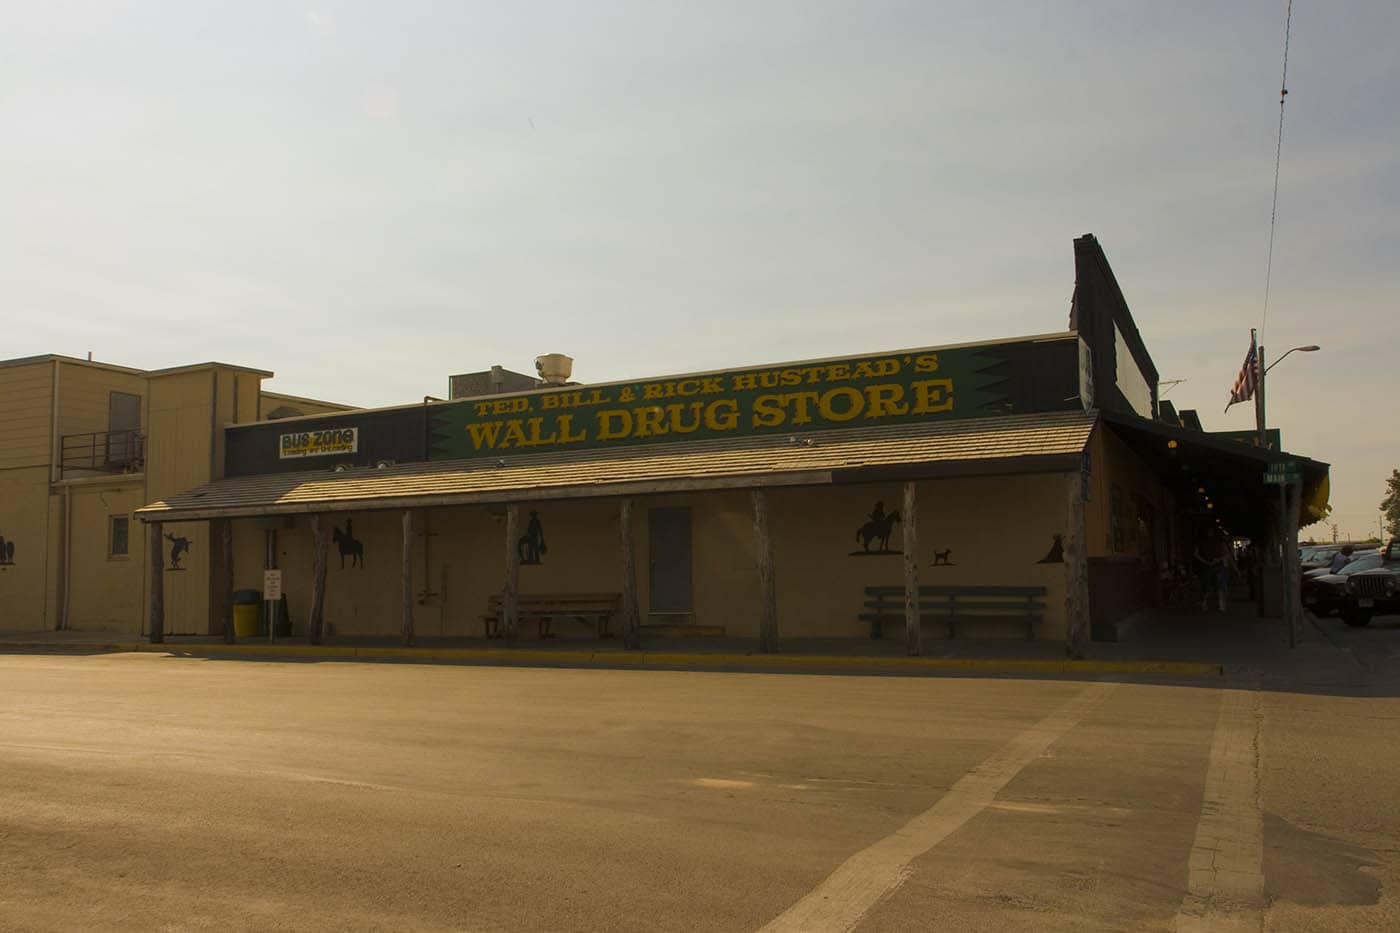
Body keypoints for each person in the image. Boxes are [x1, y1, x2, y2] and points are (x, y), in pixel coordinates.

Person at [1193, 532, 1229, 613]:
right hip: (1214, 566)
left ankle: (1212, 604)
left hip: (1209, 566)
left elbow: (1196, 554)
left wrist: (1205, 561)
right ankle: (1219, 605)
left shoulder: (1201, 541)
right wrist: (1217, 560)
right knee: (1215, 585)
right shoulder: (1219, 541)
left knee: (1209, 585)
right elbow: (1226, 553)